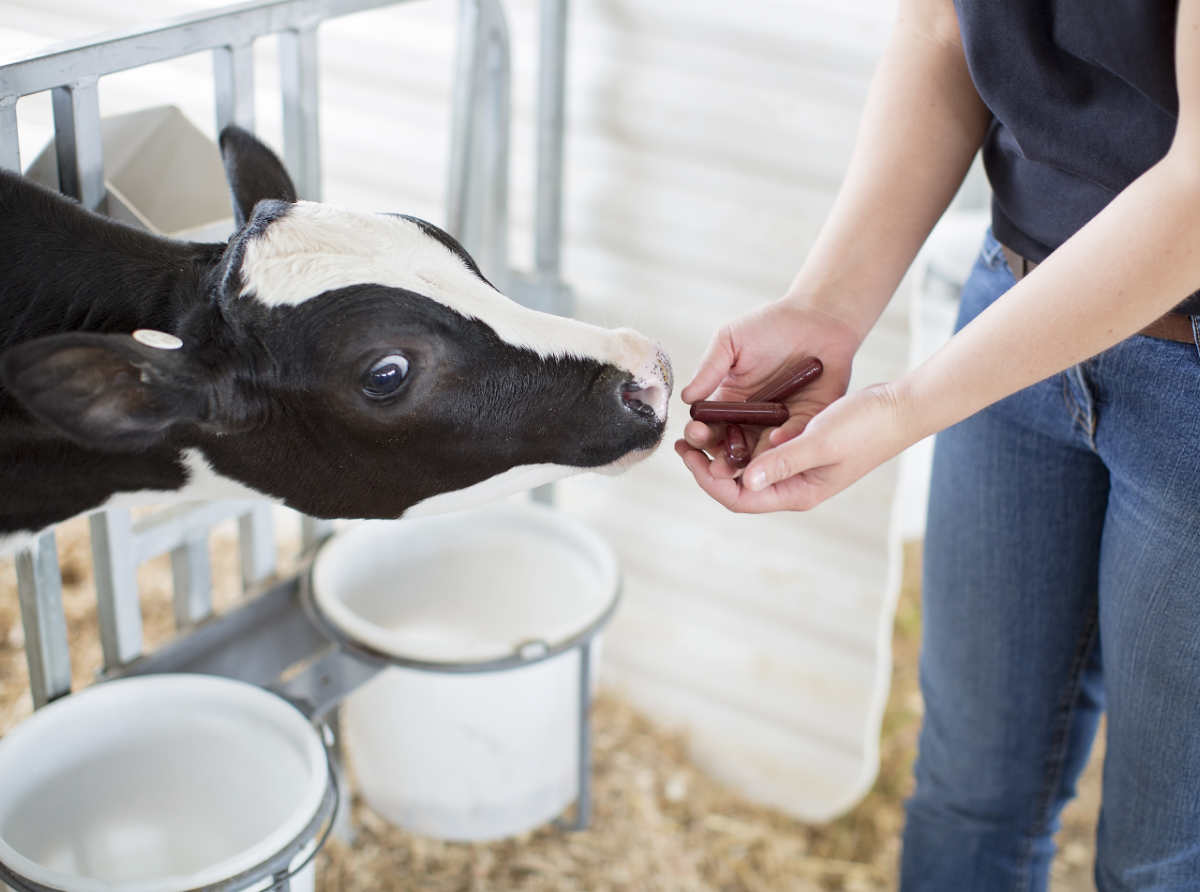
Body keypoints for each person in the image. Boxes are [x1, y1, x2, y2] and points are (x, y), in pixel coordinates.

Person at [675, 0, 1200, 888]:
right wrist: (826, 310)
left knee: (1160, 860)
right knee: (966, 796)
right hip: (1014, 301)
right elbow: (936, 32)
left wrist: (904, 406)